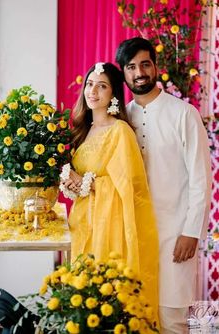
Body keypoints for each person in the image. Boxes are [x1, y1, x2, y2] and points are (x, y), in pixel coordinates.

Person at [115, 37, 212, 334]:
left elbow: (201, 179)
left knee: (173, 320)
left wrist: (191, 232)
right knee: (135, 319)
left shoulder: (184, 114)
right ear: (124, 73)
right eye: (131, 67)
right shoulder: (121, 120)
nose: (139, 72)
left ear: (156, 67)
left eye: (145, 64)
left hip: (174, 237)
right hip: (133, 237)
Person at [60, 62, 159, 329]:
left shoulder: (120, 132)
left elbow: (129, 188)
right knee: (82, 305)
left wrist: (88, 183)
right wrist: (72, 185)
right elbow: (82, 185)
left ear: (114, 95)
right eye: (90, 84)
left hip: (109, 232)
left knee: (106, 303)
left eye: (102, 86)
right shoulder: (83, 130)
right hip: (81, 226)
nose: (93, 91)